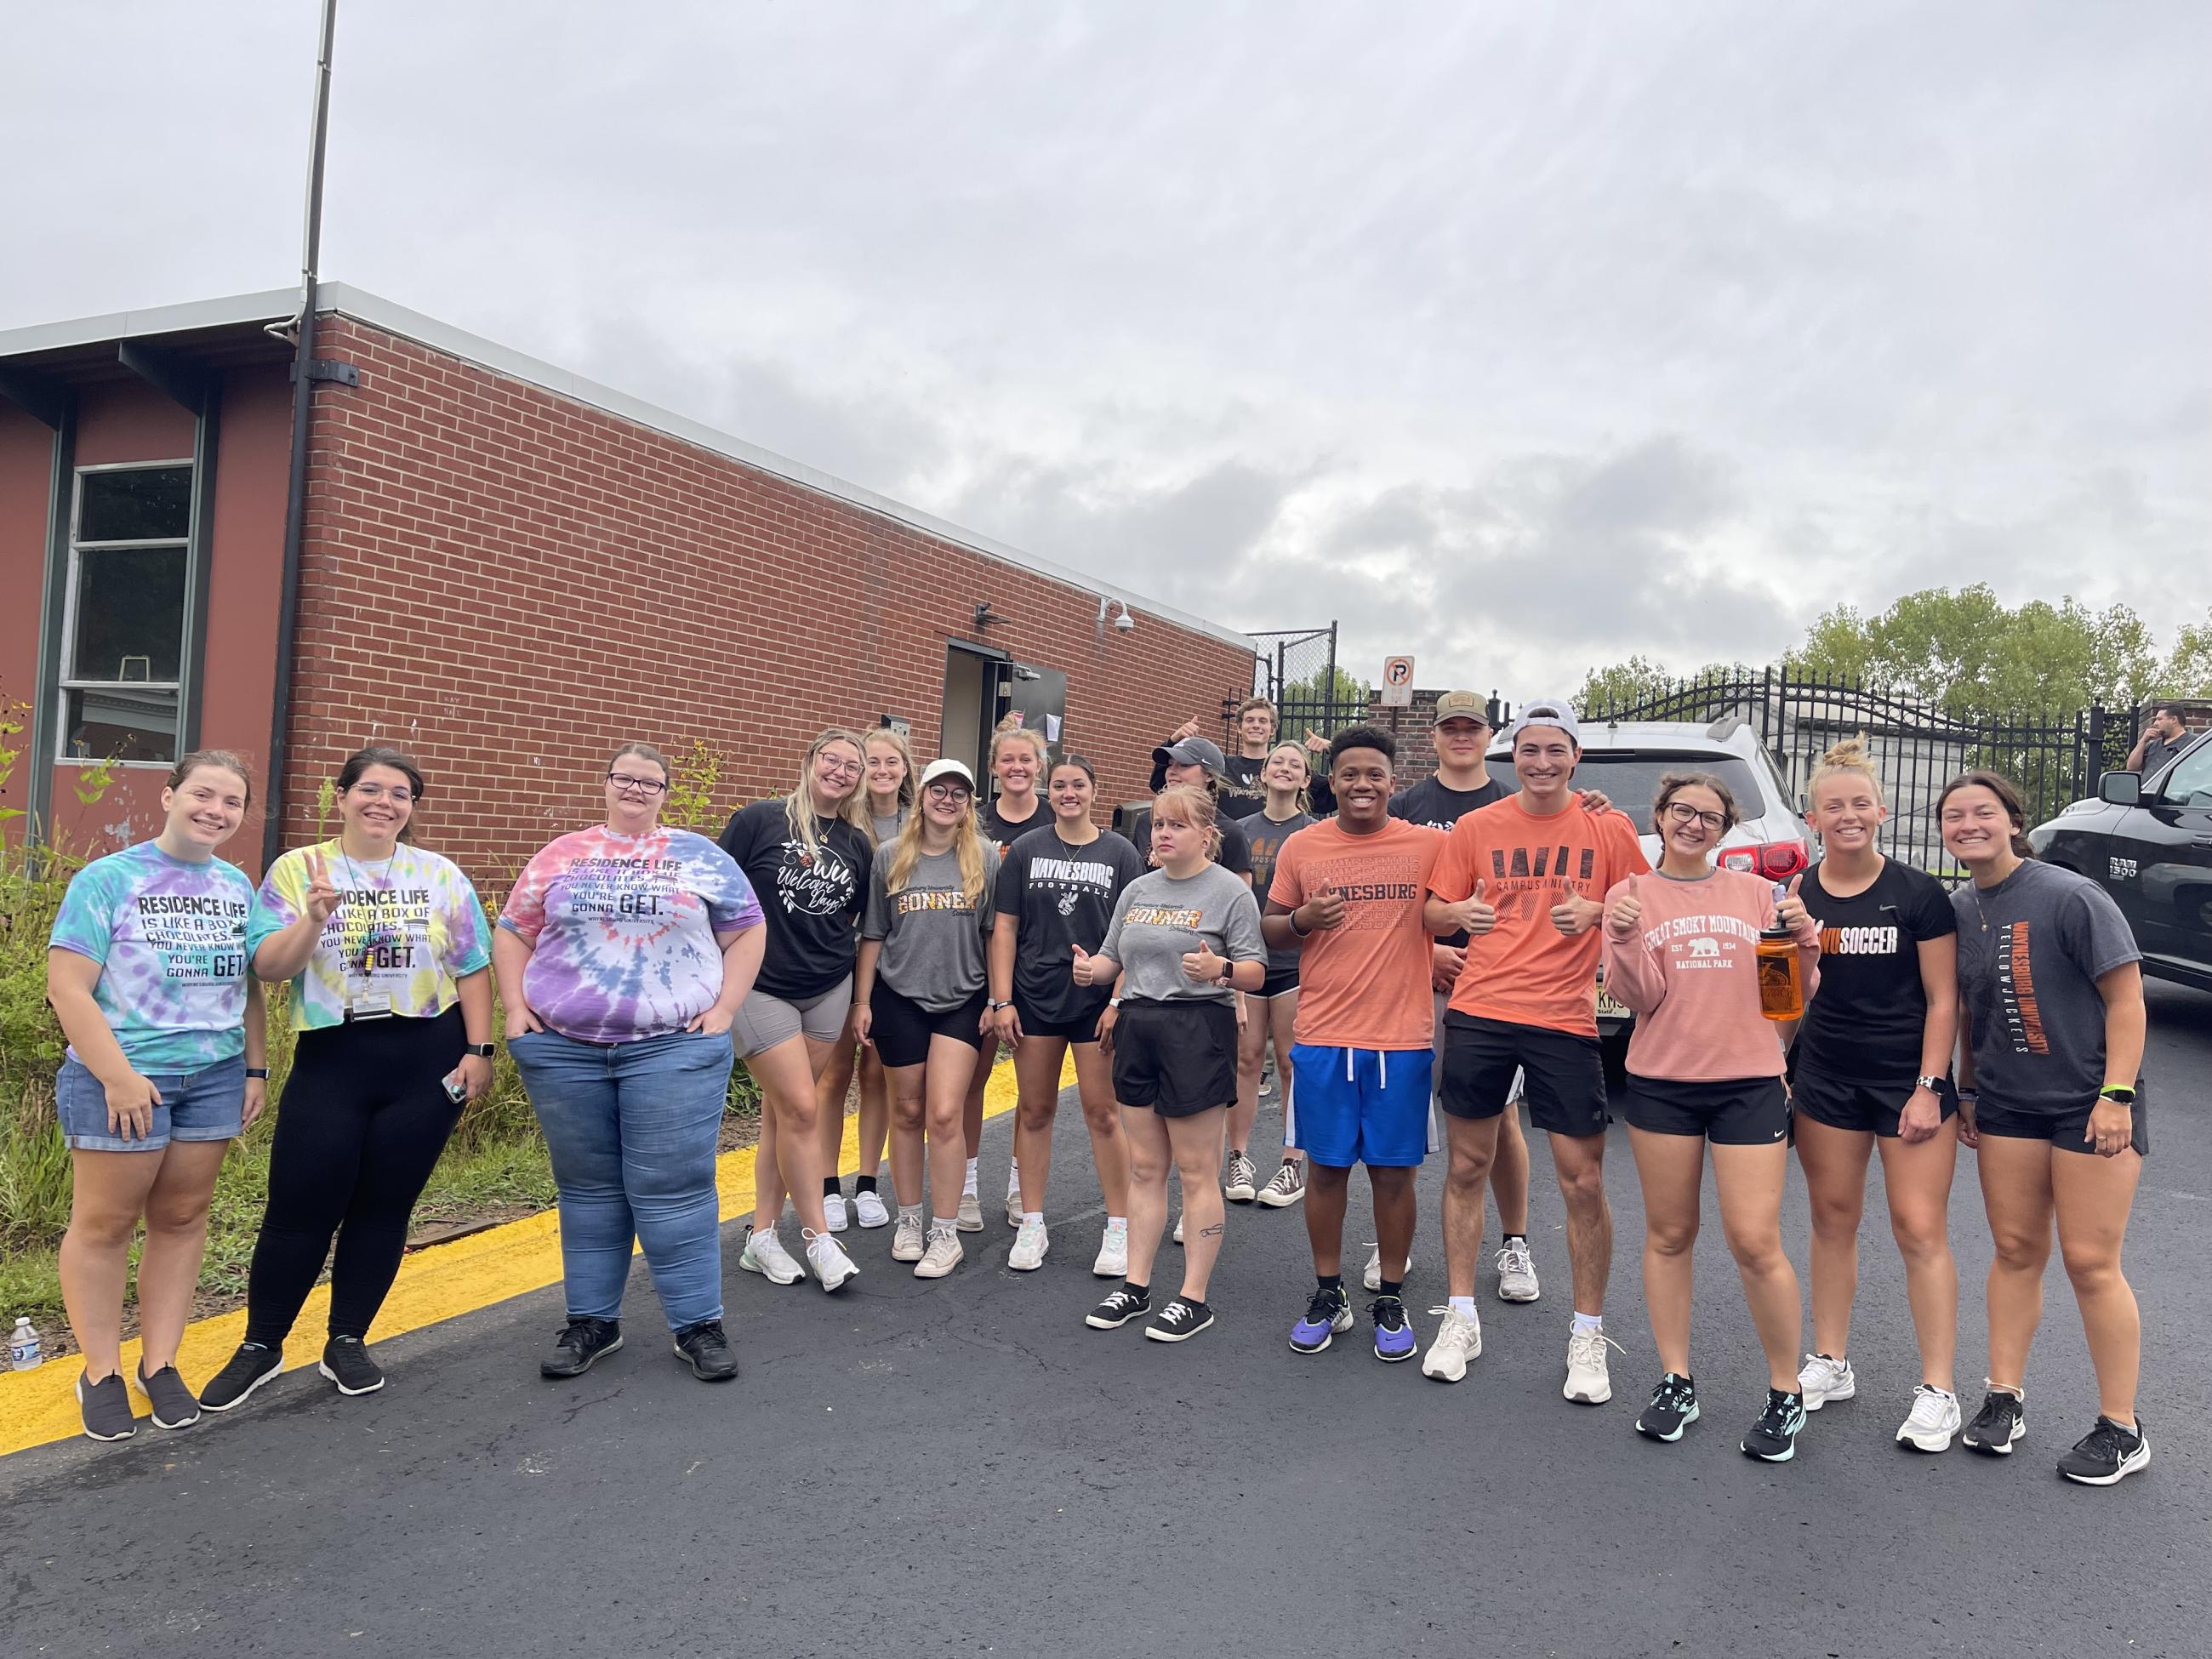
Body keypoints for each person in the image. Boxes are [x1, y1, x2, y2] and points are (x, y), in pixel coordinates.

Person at [202, 746, 497, 1411]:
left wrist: (480, 1049)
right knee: (299, 1206)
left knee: (384, 1208)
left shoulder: (440, 874)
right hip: (333, 1058)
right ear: (340, 797)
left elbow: (473, 966)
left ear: (411, 808)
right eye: (369, 789)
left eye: (400, 793)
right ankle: (261, 1345)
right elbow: (270, 968)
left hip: (426, 1057)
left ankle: (347, 1339)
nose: (383, 802)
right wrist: (312, 917)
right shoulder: (296, 869)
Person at [493, 744, 767, 1383]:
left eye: (651, 782)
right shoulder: (562, 853)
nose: (636, 789)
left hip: (672, 1045)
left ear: (666, 792)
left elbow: (747, 929)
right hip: (564, 1049)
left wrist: (725, 1009)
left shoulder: (699, 855)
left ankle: (697, 1324)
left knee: (674, 1190)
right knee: (588, 1190)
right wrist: (514, 1008)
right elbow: (513, 930)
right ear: (606, 784)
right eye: (626, 778)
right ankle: (592, 1322)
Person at [1423, 698, 1649, 1401]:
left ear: (1576, 757)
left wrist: (1601, 910)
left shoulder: (1606, 826)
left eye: (1556, 750)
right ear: (1511, 755)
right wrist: (1456, 915)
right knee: (1466, 1164)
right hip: (1482, 1010)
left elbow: (1651, 902)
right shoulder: (1475, 826)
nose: (1543, 763)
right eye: (1530, 750)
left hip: (1563, 1017)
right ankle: (1461, 1316)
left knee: (1582, 1180)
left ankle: (1587, 1332)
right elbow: (1431, 909)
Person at [1601, 772, 1821, 1462]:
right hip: (1663, 1083)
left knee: (1756, 1241)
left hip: (1749, 1083)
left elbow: (1787, 998)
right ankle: (1676, 1381)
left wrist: (1806, 942)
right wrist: (1627, 939)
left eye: (1711, 817)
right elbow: (1638, 996)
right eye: (1682, 812)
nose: (1695, 825)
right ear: (1661, 816)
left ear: (1726, 831)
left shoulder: (1759, 895)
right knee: (1670, 1235)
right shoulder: (1629, 895)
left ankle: (1786, 1392)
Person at [1941, 771, 2152, 1485]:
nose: (1968, 825)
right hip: (2006, 1105)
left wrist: (2116, 1095)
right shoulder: (1960, 909)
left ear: (2011, 820)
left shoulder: (2070, 895)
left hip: (2090, 1103)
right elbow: (1971, 1011)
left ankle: (2121, 1427)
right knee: (2014, 1249)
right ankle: (2004, 1398)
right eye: (1954, 816)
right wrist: (1967, 1089)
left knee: (2091, 1263)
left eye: (1983, 813)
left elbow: (2127, 1000)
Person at [46, 751, 265, 1440]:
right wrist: (117, 1076)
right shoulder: (108, 878)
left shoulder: (236, 886)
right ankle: (101, 1372)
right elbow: (68, 987)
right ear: (170, 795)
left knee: (182, 1218)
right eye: (203, 794)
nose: (216, 811)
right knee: (106, 1224)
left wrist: (255, 1070)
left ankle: (160, 1363)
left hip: (214, 1076)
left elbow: (248, 987)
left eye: (232, 803)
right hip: (122, 1078)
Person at [1790, 738, 1964, 1452]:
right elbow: (1790, 994)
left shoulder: (1918, 893)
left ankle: (1939, 1390)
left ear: (1883, 812)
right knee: (1832, 1220)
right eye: (1835, 806)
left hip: (1906, 1081)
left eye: (1860, 803)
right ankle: (1831, 1361)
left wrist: (1929, 1087)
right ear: (1812, 818)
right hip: (1826, 1076)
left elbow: (1945, 999)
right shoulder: (1798, 892)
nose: (1849, 815)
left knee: (1918, 1229)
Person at [1263, 728, 1446, 1364]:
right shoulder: (1303, 846)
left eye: (1374, 773)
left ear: (1393, 781)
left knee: (1395, 1176)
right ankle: (1327, 1292)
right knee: (1327, 1170)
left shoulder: (1428, 846)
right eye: (1349, 774)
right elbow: (1272, 929)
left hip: (1401, 1039)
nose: (1362, 784)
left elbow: (1497, 854)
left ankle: (1390, 1296)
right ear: (1330, 781)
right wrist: (1301, 922)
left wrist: (1589, 808)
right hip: (1322, 1036)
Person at [1079, 786, 1266, 1343]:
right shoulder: (1138, 888)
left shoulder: (1230, 891)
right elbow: (1115, 957)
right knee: (1144, 1168)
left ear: (1207, 835)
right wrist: (1094, 971)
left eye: (1177, 826)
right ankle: (1136, 1286)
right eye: (1158, 824)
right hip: (1138, 1024)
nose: (1162, 834)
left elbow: (1257, 972)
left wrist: (1222, 970)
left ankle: (1193, 1297)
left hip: (1197, 1027)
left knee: (1195, 1170)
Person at [1384, 689, 1542, 1303]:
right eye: (1449, 728)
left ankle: (1516, 1244)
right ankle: (1395, 1245)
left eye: (1470, 728)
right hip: (1411, 979)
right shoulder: (1406, 806)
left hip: (1491, 984)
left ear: (1488, 736)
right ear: (1434, 737)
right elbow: (1392, 896)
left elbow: (1532, 899)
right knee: (1402, 1111)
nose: (1460, 737)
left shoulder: (1513, 804)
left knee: (1498, 1119)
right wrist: (1429, 954)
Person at [718, 729, 870, 1293]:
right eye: (831, 760)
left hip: (827, 987)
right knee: (804, 1111)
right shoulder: (757, 821)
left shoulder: (856, 843)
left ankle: (760, 1237)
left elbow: (855, 920)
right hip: (762, 988)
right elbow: (714, 894)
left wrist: (857, 997)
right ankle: (819, 1239)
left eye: (851, 766)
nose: (839, 771)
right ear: (809, 762)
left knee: (783, 1116)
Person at [989, 755, 1147, 1273]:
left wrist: (1118, 997)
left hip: (1096, 1002)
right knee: (1034, 1112)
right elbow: (1005, 928)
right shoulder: (1028, 850)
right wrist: (1003, 998)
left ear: (1094, 792)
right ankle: (1032, 1223)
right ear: (1047, 791)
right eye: (1059, 785)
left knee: (1103, 1113)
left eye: (1078, 784)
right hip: (1035, 997)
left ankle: (1119, 1228)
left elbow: (1133, 934)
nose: (1068, 793)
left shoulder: (1120, 852)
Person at [852, 759, 1001, 1279]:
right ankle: (909, 1220)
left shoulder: (982, 856)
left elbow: (993, 935)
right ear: (922, 796)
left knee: (944, 1114)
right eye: (938, 790)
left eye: (959, 794)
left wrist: (996, 999)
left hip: (962, 998)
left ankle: (946, 1231)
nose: (947, 800)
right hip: (899, 998)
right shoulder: (891, 855)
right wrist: (862, 1001)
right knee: (908, 1113)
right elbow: (873, 933)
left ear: (969, 805)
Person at [814, 725, 915, 1229]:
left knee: (877, 1076)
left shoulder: (917, 824)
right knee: (833, 1075)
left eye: (890, 762)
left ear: (904, 769)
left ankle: (868, 1183)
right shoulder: (840, 822)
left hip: (893, 967)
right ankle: (827, 1185)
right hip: (837, 963)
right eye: (871, 762)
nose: (881, 771)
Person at [972, 723, 1051, 1229]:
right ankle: (964, 1186)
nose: (1017, 768)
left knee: (1031, 1092)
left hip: (1035, 972)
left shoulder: (1053, 818)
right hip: (975, 965)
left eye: (1027, 759)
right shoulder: (974, 821)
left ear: (1040, 766)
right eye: (1008, 760)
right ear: (994, 766)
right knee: (971, 1082)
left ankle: (1021, 1187)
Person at [1234, 743, 1316, 1210]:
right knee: (1246, 1062)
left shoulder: (1314, 833)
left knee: (1290, 1064)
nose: (1285, 769)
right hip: (1248, 962)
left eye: (1296, 765)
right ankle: (1238, 1156)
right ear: (1262, 774)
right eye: (1277, 763)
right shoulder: (1240, 831)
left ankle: (1291, 1163)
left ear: (1306, 780)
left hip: (1294, 965)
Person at [1130, 738, 1255, 875]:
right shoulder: (1145, 822)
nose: (1172, 771)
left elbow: (1240, 891)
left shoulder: (1230, 832)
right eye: (1170, 765)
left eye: (1183, 765)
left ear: (1208, 775)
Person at [2124, 700, 2193, 778]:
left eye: (2159, 719)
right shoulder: (2153, 745)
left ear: (2174, 720)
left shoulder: (2193, 743)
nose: (2155, 723)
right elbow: (2132, 767)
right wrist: (2143, 741)